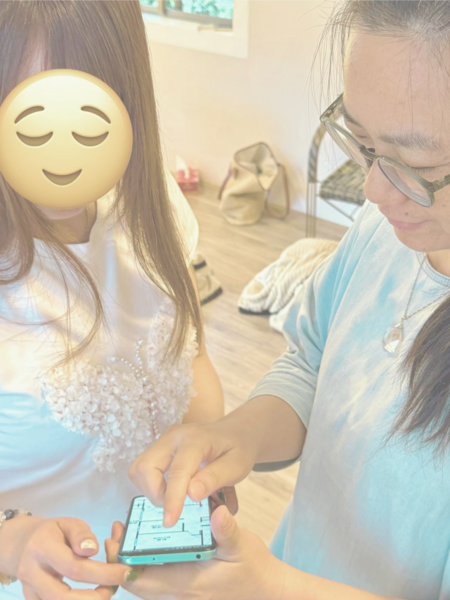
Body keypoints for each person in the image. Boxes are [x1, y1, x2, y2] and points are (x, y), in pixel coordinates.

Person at [106, 1, 450, 599]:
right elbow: (311, 364)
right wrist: (241, 434)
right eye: (363, 143)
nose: (372, 190)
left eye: (415, 164)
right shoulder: (381, 233)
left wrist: (266, 587)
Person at [0, 2, 224, 599]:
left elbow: (190, 355)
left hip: (169, 570)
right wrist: (13, 540)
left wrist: (205, 472)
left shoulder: (152, 206)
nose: (62, 154)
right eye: (31, 120)